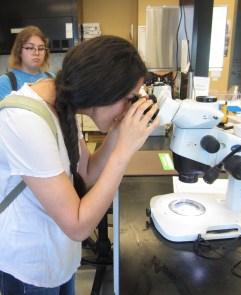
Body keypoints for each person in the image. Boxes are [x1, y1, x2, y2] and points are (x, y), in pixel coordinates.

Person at [0, 35, 160, 294]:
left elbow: (86, 173)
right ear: (103, 89)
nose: (129, 105)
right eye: (129, 98)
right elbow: (78, 225)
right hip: (31, 267)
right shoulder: (25, 120)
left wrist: (118, 131)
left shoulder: (63, 103)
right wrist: (124, 151)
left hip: (60, 256)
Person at [0, 25, 53, 99]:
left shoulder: (52, 79)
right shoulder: (5, 82)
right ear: (19, 51)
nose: (37, 53)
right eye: (30, 48)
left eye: (41, 48)